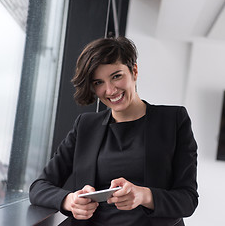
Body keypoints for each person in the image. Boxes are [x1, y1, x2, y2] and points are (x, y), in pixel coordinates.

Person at [29, 36, 199, 226]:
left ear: (134, 71)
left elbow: (188, 200)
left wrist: (143, 196)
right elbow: (39, 187)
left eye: (116, 76)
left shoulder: (174, 120)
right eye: (98, 82)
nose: (110, 90)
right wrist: (70, 201)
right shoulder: (85, 125)